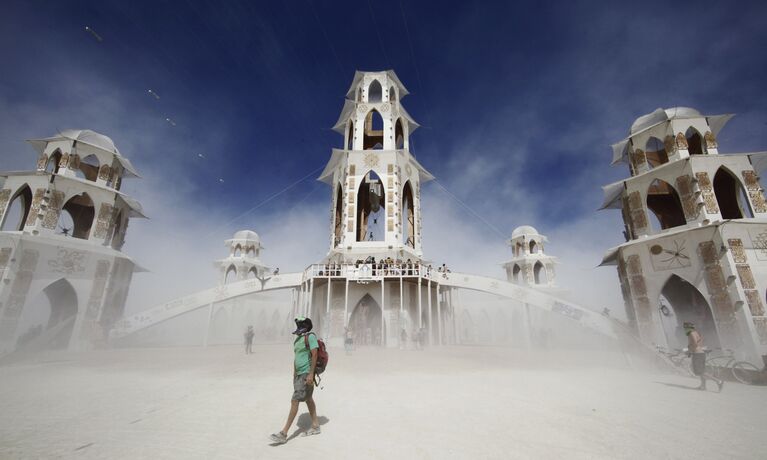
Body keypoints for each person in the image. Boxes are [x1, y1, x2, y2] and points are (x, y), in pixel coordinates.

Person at [270, 316, 321, 444]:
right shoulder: (298, 339)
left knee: (295, 400)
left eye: (301, 324)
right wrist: (294, 374)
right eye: (297, 324)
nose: (298, 325)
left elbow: (314, 354)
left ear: (306, 325)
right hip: (298, 375)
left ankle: (284, 433)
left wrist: (310, 374)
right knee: (308, 399)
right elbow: (296, 357)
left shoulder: (310, 337)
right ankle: (315, 426)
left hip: (306, 373)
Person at [685, 322, 724, 392]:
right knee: (701, 371)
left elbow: (695, 343)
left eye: (685, 327)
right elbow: (700, 342)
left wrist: (690, 350)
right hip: (701, 353)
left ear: (688, 327)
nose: (685, 329)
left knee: (699, 371)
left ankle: (718, 381)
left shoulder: (691, 333)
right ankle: (703, 386)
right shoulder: (696, 333)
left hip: (697, 354)